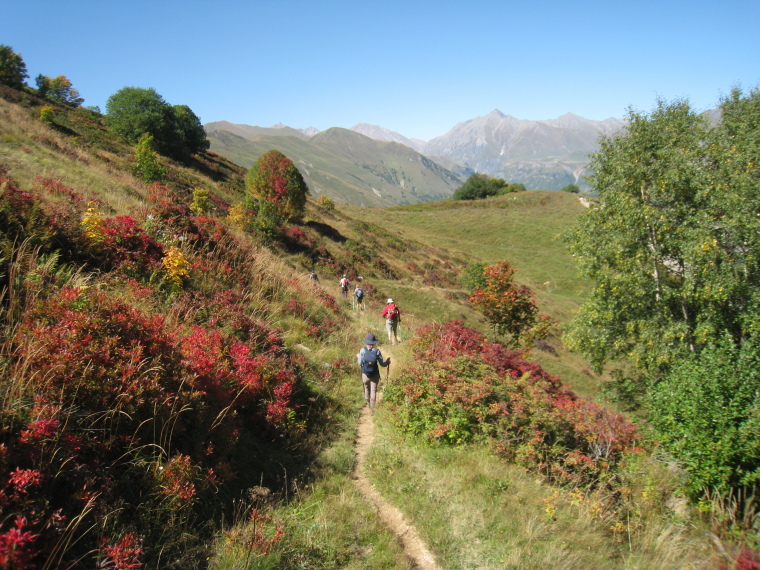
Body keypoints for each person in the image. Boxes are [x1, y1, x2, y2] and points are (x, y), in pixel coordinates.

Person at [356, 332, 390, 410]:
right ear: (374, 342)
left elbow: (360, 363)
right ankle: (372, 407)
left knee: (367, 389)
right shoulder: (377, 351)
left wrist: (359, 357)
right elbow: (382, 364)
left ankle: (368, 402)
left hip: (365, 374)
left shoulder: (362, 350)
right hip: (374, 374)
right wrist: (387, 362)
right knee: (373, 390)